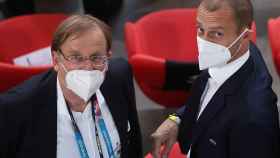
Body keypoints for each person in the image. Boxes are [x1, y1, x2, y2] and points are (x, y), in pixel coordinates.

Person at [0, 14, 142, 158]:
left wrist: (168, 119)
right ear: (56, 60)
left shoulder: (119, 77)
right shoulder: (17, 108)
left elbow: (133, 143)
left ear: (107, 57)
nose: (87, 68)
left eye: (96, 57)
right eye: (75, 58)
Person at [151, 0, 280, 158]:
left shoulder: (253, 119)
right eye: (200, 29)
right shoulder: (230, 56)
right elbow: (206, 100)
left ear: (244, 36)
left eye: (217, 33)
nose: (204, 42)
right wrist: (175, 119)